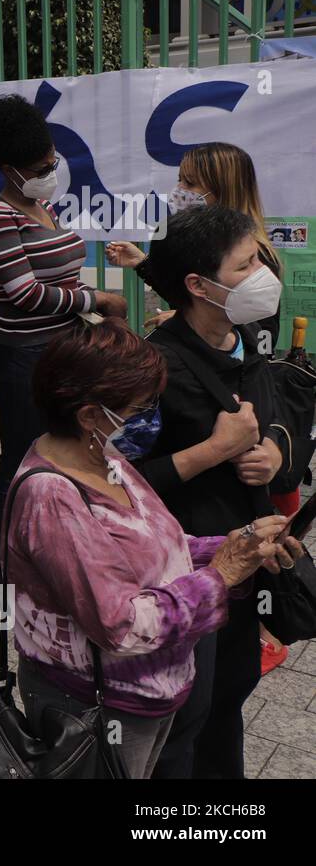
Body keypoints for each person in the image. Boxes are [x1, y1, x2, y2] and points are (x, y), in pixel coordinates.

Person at [5, 318, 299, 778]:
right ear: (88, 416)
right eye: (140, 407)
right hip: (102, 699)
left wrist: (237, 545)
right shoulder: (52, 497)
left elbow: (158, 541)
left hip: (157, 688)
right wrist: (218, 575)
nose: (150, 418)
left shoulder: (105, 457)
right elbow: (122, 627)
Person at [132, 205, 290, 778]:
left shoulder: (246, 338)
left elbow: (273, 419)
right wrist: (212, 452)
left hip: (248, 562)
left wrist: (273, 449)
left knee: (230, 694)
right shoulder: (154, 367)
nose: (263, 275)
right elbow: (109, 486)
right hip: (186, 573)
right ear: (198, 285)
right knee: (184, 715)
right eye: (247, 264)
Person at [0, 94, 128, 585]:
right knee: (20, 460)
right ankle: (1, 572)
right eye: (39, 166)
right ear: (7, 168)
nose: (49, 170)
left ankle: (54, 551)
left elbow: (58, 277)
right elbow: (23, 293)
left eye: (52, 161)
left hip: (64, 348)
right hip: (26, 355)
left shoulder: (42, 206)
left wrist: (87, 307)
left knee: (68, 451)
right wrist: (95, 301)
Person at [105, 142, 280, 348]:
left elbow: (263, 335)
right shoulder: (201, 242)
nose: (179, 190)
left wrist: (195, 326)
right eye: (180, 180)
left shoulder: (254, 256)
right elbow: (191, 298)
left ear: (223, 189)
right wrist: (142, 263)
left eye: (190, 183)